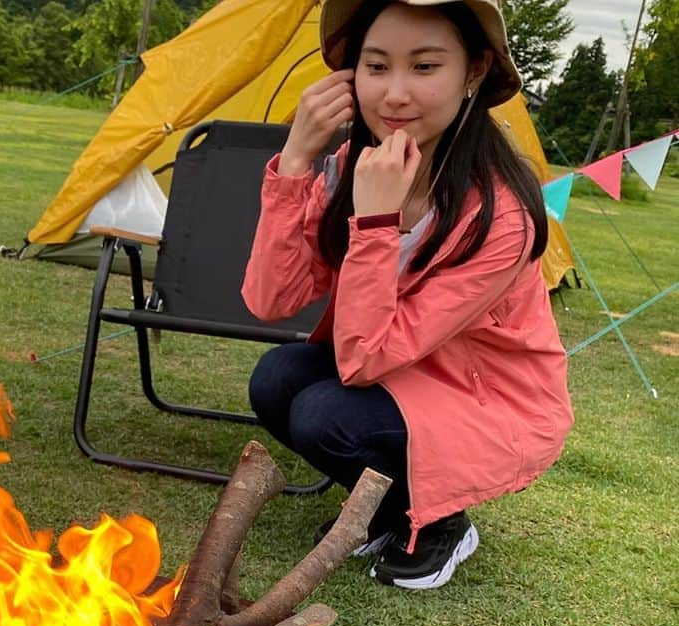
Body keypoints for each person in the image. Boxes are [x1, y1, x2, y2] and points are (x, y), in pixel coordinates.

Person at [243, 0, 574, 589]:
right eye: (377, 66)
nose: (394, 94)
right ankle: (389, 513)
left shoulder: (500, 216)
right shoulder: (356, 163)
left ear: (473, 72)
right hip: (401, 370)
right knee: (276, 379)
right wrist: (295, 160)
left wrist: (375, 225)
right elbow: (271, 298)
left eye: (424, 67)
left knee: (324, 414)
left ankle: (441, 522)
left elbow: (365, 359)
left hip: (485, 400)